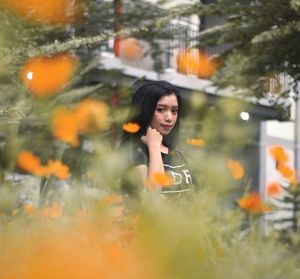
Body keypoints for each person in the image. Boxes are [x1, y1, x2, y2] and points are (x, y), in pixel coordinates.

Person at [121, 80, 193, 197]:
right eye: (161, 110)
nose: (169, 118)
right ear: (144, 111)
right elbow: (151, 196)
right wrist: (154, 146)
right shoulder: (133, 152)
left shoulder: (176, 151)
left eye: (174, 111)